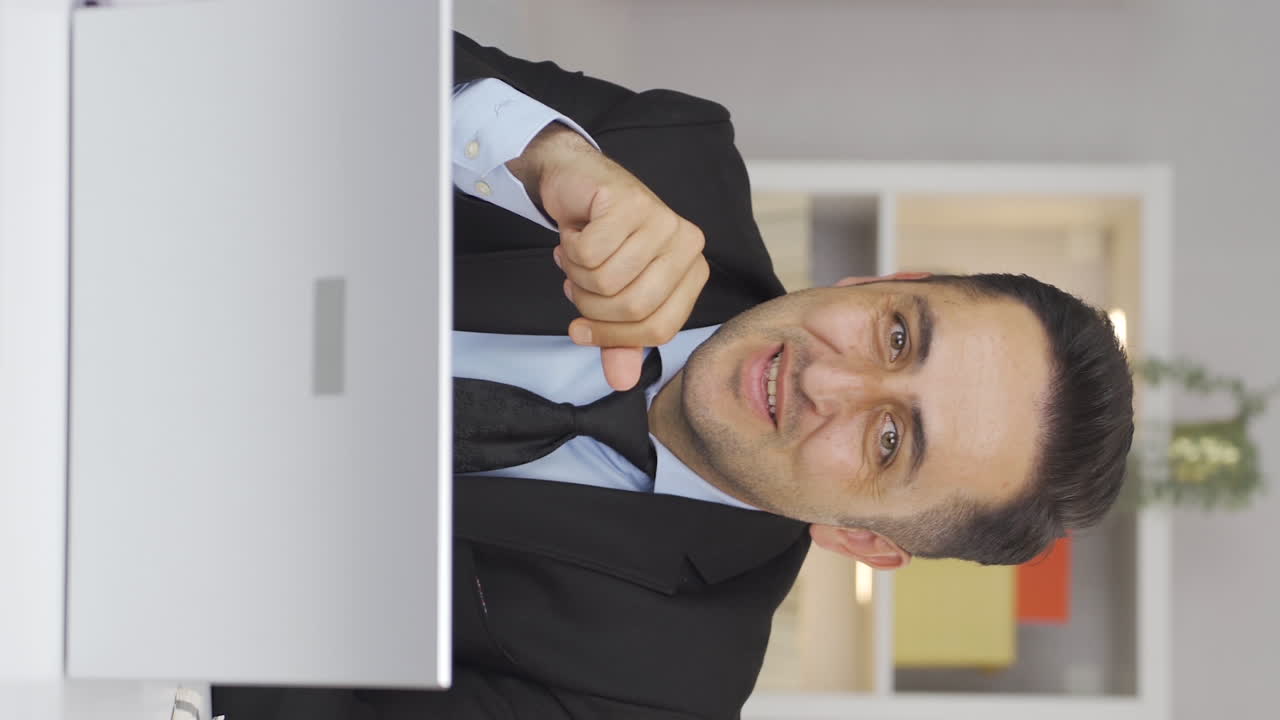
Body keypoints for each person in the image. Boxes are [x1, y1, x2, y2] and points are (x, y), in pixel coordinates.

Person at [214, 33, 1133, 720]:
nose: (832, 385)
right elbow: (297, 51)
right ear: (884, 283)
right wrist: (541, 154)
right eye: (896, 336)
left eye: (890, 441)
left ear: (865, 542)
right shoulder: (672, 153)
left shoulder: (658, 695)